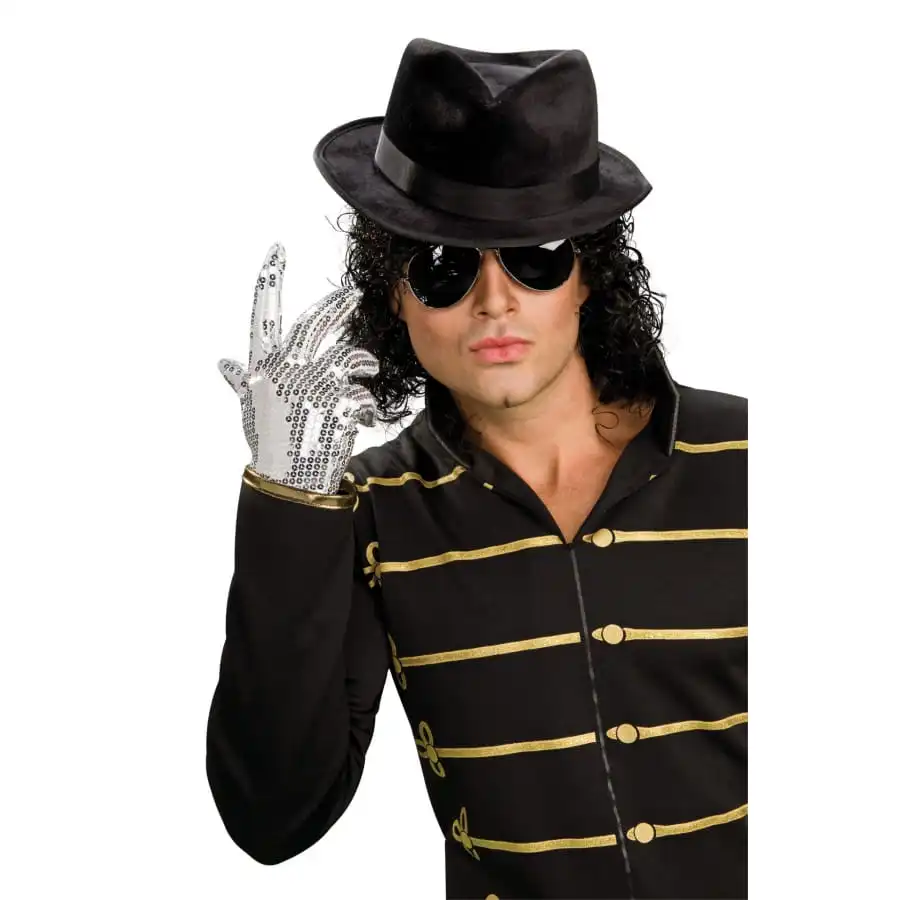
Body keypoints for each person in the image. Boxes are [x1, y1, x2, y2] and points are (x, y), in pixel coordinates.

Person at [207, 37, 748, 900]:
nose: (495, 299)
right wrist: (291, 495)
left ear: (587, 275)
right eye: (443, 268)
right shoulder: (372, 519)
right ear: (392, 294)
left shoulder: (755, 457)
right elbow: (271, 816)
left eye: (537, 256)